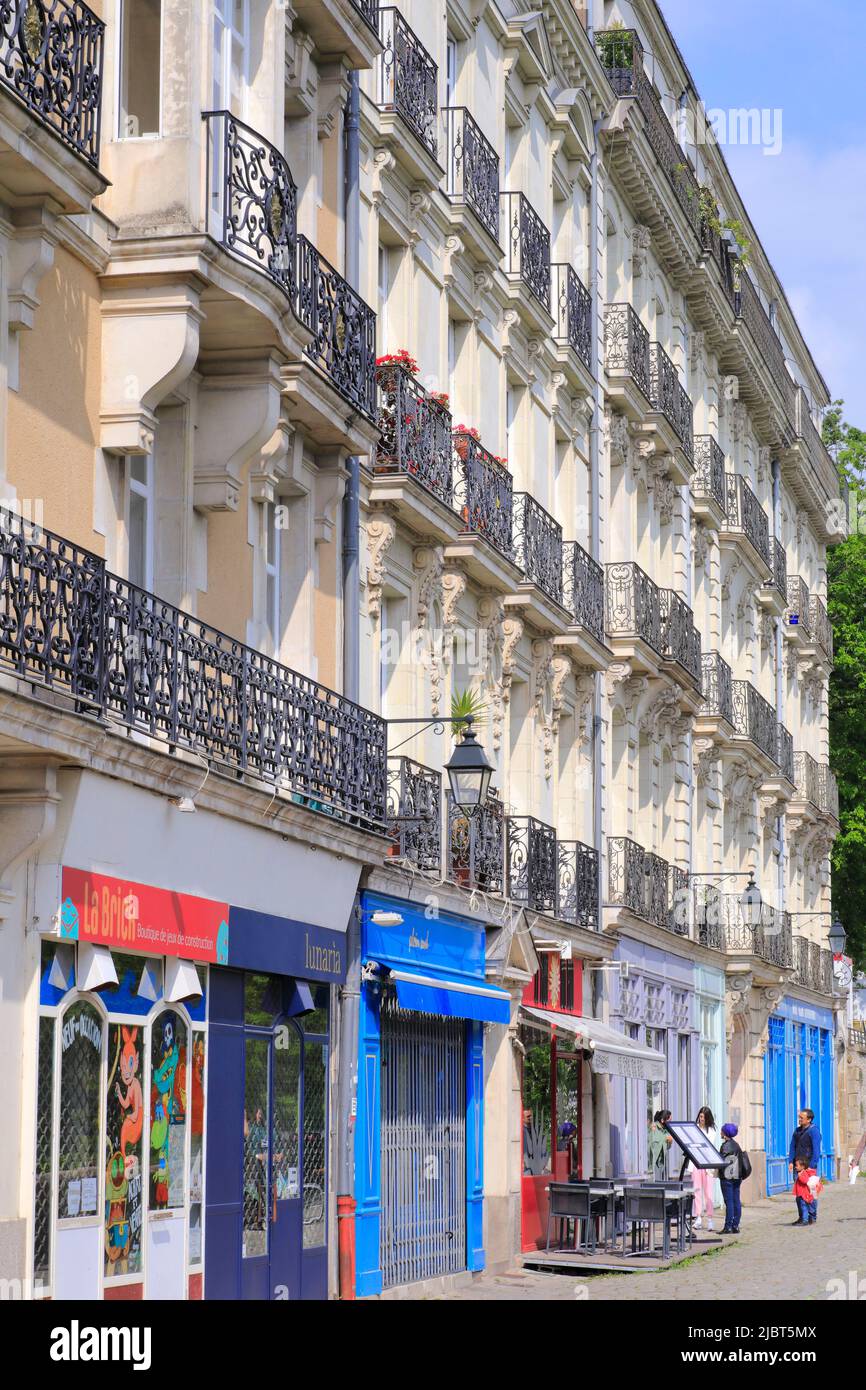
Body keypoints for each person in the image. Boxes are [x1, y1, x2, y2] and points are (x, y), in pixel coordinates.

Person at [683, 1106, 718, 1231]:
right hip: (696, 1163)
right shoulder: (695, 1128)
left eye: (703, 1117)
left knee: (708, 1193)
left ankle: (709, 1219)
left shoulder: (712, 1130)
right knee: (697, 1191)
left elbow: (707, 1145)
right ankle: (698, 1217)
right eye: (700, 1116)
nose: (701, 1119)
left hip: (708, 1164)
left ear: (707, 1118)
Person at [787, 1108, 821, 1205]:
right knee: (799, 1193)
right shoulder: (797, 1131)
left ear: (809, 1119)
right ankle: (802, 1217)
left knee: (811, 1192)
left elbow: (816, 1150)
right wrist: (790, 1161)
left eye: (802, 1117)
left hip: (809, 1167)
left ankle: (811, 1216)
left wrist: (811, 1166)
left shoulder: (814, 1131)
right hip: (797, 1166)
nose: (800, 1119)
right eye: (799, 1117)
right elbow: (792, 1146)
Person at [718, 1123, 745, 1233]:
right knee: (736, 1201)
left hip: (727, 1177)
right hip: (737, 1177)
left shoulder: (725, 1146)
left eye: (722, 1131)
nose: (720, 1132)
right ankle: (735, 1225)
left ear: (725, 1133)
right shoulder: (736, 1145)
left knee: (729, 1202)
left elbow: (720, 1160)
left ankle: (728, 1226)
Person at [793, 1156, 822, 1226]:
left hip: (804, 1195)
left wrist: (800, 1176)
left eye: (796, 1165)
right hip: (805, 1194)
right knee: (810, 1207)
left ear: (802, 1166)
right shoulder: (805, 1172)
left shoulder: (803, 1173)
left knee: (805, 1207)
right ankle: (810, 1219)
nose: (795, 1167)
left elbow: (805, 1181)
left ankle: (805, 1220)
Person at [648, 1109, 673, 1178]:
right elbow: (650, 1145)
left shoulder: (666, 1130)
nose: (670, 1123)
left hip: (661, 1164)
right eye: (669, 1121)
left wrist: (670, 1142)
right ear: (662, 1120)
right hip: (652, 1164)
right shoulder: (654, 1127)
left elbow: (666, 1147)